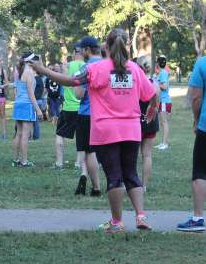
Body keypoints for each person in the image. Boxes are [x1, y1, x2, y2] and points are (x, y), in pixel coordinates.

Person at [31, 28, 158, 233]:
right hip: (131, 130)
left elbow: (71, 82)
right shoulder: (134, 69)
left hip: (106, 130)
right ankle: (141, 216)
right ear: (124, 45)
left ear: (105, 47)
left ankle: (117, 223)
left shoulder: (97, 69)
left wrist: (43, 70)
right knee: (131, 173)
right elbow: (153, 93)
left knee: (115, 176)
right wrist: (152, 108)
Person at [177, 56, 206, 232]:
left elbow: (196, 97)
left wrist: (196, 120)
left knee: (200, 171)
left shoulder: (202, 63)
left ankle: (197, 217)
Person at [73, 37, 101, 197]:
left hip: (87, 113)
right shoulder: (107, 65)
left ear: (87, 50)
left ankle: (96, 187)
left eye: (81, 50)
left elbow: (79, 94)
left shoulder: (86, 68)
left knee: (89, 152)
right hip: (104, 114)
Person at [54, 45, 84, 169]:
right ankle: (78, 163)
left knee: (59, 135)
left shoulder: (66, 66)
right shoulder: (86, 66)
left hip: (68, 107)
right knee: (81, 137)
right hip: (82, 108)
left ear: (73, 52)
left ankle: (59, 162)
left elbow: (62, 82)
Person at [12, 52, 43, 167]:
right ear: (30, 61)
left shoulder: (20, 72)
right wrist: (38, 110)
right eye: (35, 60)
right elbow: (31, 95)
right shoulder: (30, 73)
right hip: (27, 105)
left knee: (18, 134)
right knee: (26, 135)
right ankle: (24, 161)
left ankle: (15, 160)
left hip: (18, 104)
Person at [138, 61, 160, 192]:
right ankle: (144, 186)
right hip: (151, 121)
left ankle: (132, 184)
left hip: (137, 121)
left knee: (131, 155)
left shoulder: (136, 82)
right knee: (147, 155)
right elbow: (157, 102)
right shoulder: (154, 83)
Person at [154, 55, 172, 150]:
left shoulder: (163, 73)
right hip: (163, 101)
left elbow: (164, 86)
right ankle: (163, 143)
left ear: (157, 63)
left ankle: (165, 143)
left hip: (165, 101)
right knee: (163, 122)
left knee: (164, 122)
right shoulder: (162, 72)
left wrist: (155, 83)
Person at [32, 72, 45, 140]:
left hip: (34, 101)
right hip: (39, 100)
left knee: (29, 120)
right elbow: (43, 89)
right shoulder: (41, 79)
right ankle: (36, 136)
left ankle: (31, 136)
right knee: (36, 121)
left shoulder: (32, 79)